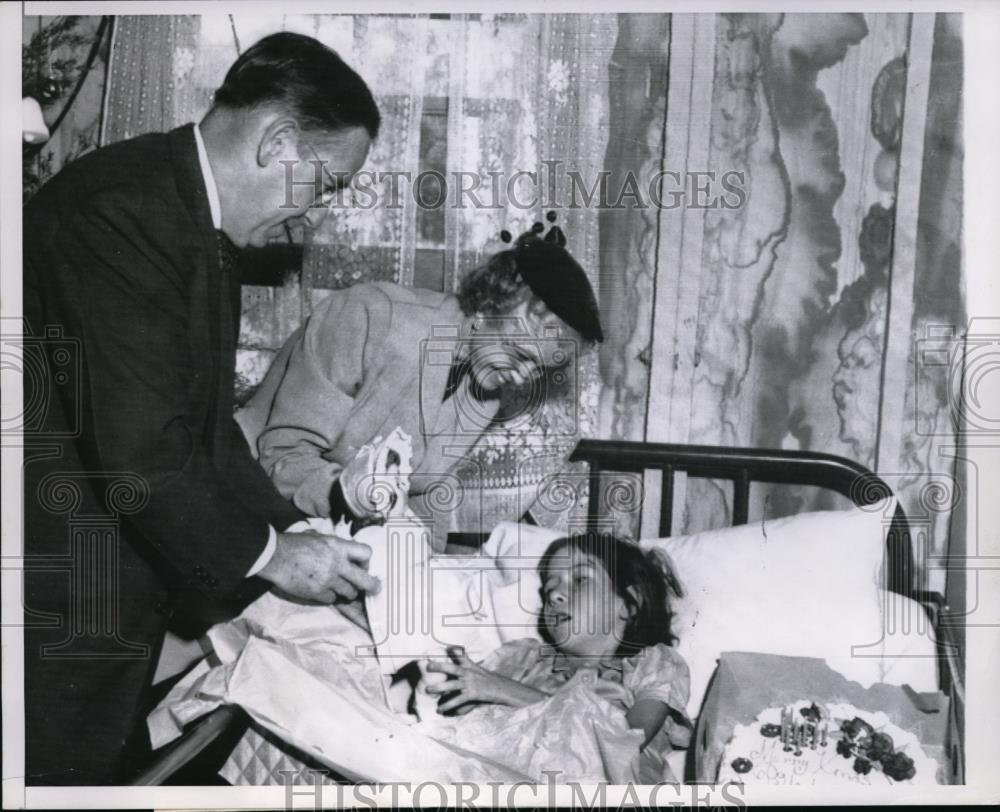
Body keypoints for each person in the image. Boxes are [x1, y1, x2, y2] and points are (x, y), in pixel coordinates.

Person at [22, 33, 382, 785]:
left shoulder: (192, 224)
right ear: (277, 141)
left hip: (105, 589)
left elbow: (208, 433)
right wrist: (273, 558)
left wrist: (297, 531)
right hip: (51, 592)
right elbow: (142, 454)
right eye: (326, 184)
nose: (315, 212)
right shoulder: (121, 212)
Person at [236, 217, 604, 545]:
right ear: (487, 307)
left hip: (333, 536)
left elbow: (426, 489)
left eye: (537, 370)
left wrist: (427, 569)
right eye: (521, 356)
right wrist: (344, 495)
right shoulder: (373, 317)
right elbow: (282, 455)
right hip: (247, 509)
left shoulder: (486, 385)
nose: (522, 379)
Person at [422, 532, 692, 782]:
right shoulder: (522, 658)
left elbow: (625, 741)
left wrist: (505, 691)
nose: (554, 594)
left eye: (580, 579)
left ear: (629, 602)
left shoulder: (654, 663)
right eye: (549, 586)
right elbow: (460, 717)